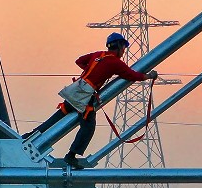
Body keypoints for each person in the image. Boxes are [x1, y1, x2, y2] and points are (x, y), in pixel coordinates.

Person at [24, 32, 157, 169]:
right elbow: (131, 75)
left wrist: (91, 71)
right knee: (88, 127)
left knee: (58, 117)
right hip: (85, 96)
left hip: (76, 89)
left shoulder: (98, 55)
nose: (124, 50)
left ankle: (30, 135)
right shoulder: (115, 63)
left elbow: (79, 61)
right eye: (123, 47)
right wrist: (149, 76)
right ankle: (71, 156)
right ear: (118, 46)